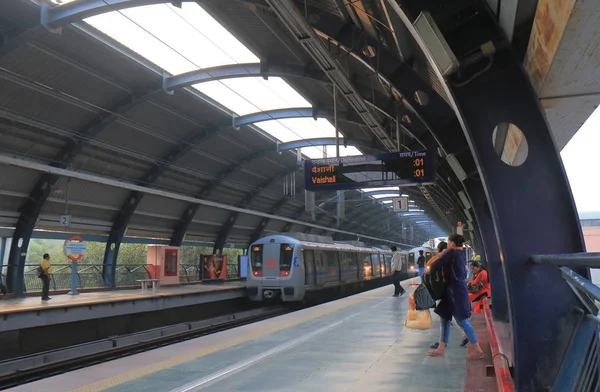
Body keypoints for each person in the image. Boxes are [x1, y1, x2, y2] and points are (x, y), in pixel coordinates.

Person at [427, 234, 484, 360]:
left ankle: (477, 348)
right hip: (456, 290)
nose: (447, 244)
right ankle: (441, 348)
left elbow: (435, 265)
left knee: (461, 321)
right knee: (445, 318)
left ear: (452, 243)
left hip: (454, 292)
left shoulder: (451, 252)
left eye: (448, 242)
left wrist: (440, 255)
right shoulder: (461, 253)